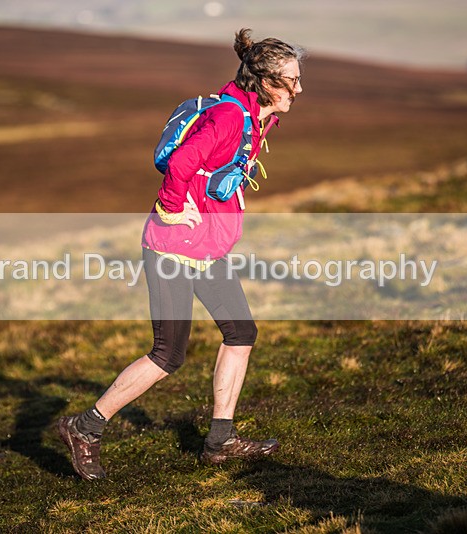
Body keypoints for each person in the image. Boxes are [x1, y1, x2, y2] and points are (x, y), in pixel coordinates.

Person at [58, 28, 304, 481]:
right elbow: (181, 162)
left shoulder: (256, 115)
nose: (299, 88)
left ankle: (220, 441)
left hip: (207, 249)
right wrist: (171, 211)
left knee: (241, 332)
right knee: (168, 354)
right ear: (267, 82)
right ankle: (84, 428)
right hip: (172, 248)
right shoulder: (232, 118)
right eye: (291, 80)